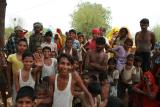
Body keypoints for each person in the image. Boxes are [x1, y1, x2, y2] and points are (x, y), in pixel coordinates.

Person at [7, 39, 28, 103]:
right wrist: (9, 85)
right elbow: (8, 72)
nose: (22, 47)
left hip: (27, 83)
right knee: (16, 101)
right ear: (17, 46)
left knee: (26, 101)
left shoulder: (29, 57)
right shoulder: (11, 57)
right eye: (20, 45)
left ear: (27, 47)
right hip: (15, 83)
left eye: (24, 46)